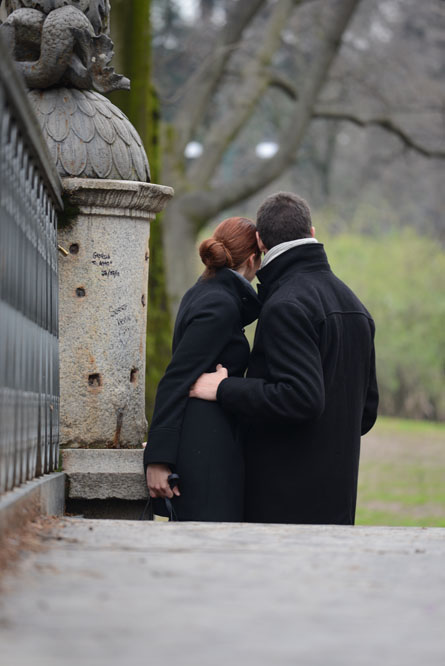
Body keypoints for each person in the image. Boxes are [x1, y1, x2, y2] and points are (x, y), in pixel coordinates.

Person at [190, 192, 379, 525]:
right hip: (338, 503)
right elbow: (366, 413)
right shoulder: (355, 306)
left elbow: (301, 397)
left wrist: (223, 388)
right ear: (312, 233)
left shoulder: (285, 306)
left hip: (283, 505)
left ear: (261, 242)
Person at [144, 217, 261, 521]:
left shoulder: (207, 291)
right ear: (252, 259)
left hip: (208, 442)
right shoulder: (219, 304)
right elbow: (177, 377)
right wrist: (158, 459)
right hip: (206, 448)